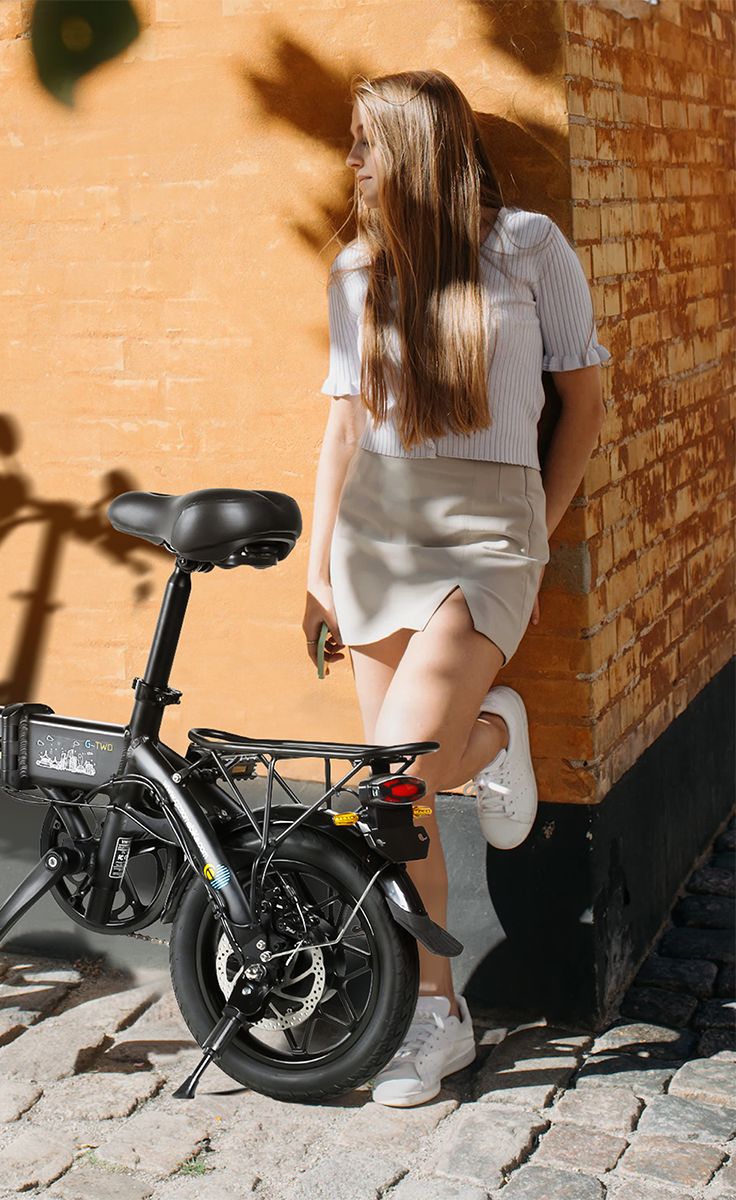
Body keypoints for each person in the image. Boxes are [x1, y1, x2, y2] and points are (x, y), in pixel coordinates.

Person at [303, 70, 610, 1108]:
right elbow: (345, 424)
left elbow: (583, 401)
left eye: (366, 142)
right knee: (397, 806)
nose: (351, 162)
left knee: (400, 777)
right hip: (377, 531)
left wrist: (538, 530)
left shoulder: (528, 247)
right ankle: (439, 1012)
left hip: (489, 530)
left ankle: (491, 735)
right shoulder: (358, 268)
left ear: (416, 149)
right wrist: (316, 570)